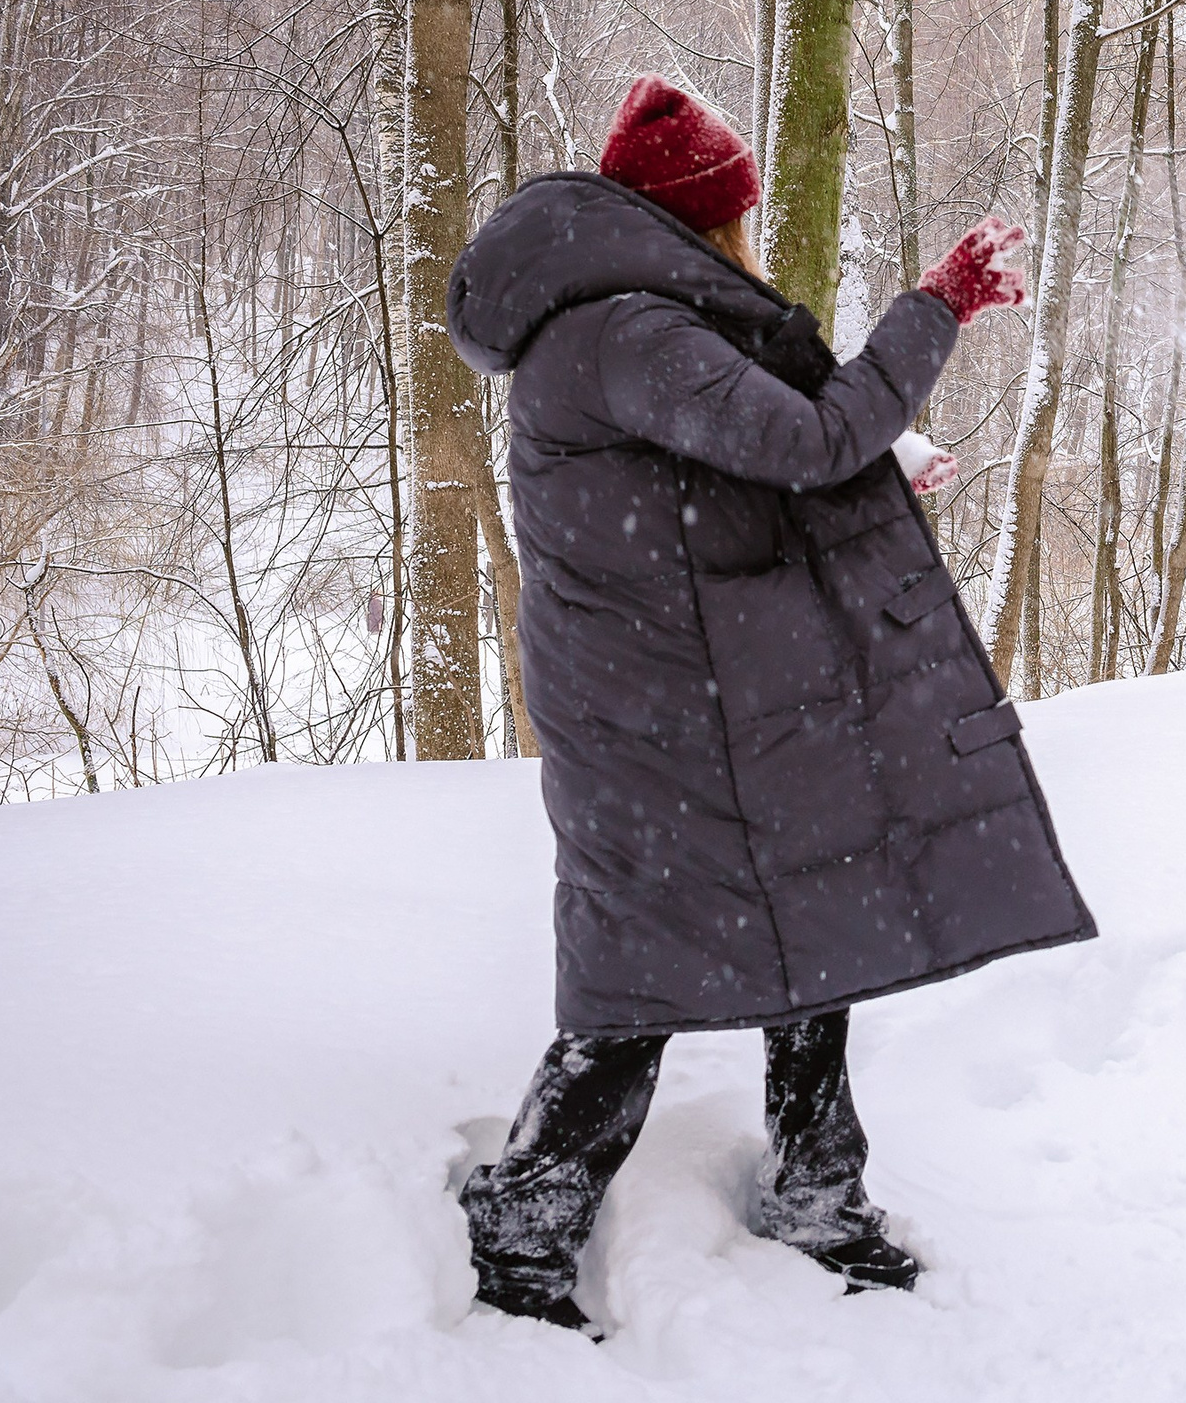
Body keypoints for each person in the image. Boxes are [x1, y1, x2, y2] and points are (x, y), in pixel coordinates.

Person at [444, 75, 1097, 1334]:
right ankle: (522, 1228)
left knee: (810, 912)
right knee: (637, 973)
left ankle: (816, 1185)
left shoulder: (624, 324)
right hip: (659, 723)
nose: (747, 240)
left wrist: (887, 453)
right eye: (734, 216)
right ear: (696, 218)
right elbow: (802, 442)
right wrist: (935, 306)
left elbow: (746, 467)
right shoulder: (626, 329)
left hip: (706, 699)